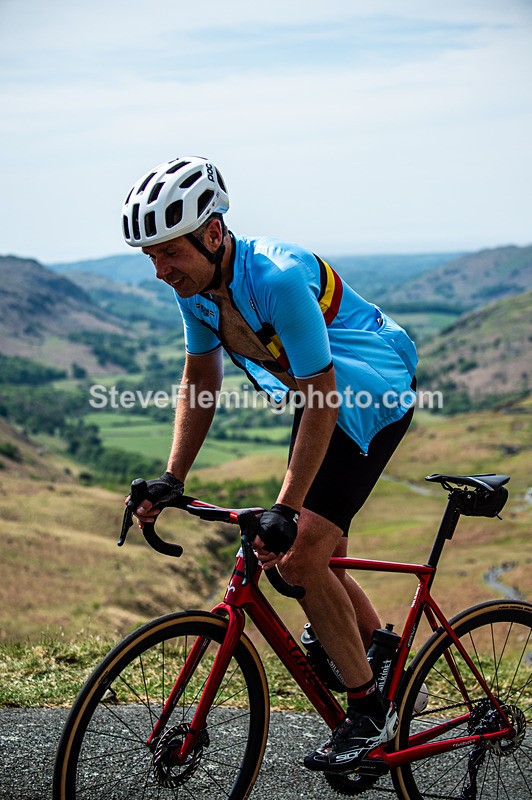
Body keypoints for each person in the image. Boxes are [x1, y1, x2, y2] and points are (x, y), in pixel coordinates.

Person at [122, 155, 417, 771]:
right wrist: (172, 479)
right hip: (317, 398)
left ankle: (368, 715)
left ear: (211, 233)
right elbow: (200, 375)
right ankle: (378, 647)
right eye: (149, 256)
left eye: (167, 252)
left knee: (301, 547)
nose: (159, 270)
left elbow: (324, 397)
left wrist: (285, 509)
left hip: (367, 394)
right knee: (293, 549)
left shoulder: (277, 277)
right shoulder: (199, 288)